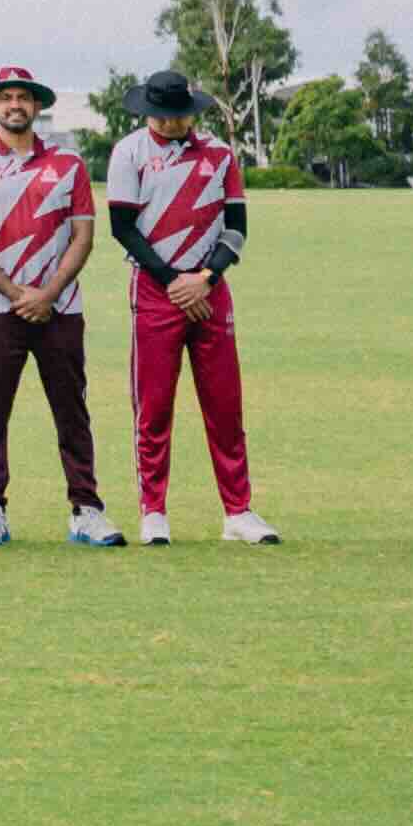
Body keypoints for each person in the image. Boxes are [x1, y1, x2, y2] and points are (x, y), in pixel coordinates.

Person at [0, 63, 116, 546]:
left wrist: (50, 293)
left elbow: (84, 233)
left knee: (71, 410)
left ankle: (85, 508)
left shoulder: (68, 163)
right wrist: (18, 294)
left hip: (61, 307)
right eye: (5, 98)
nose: (14, 104)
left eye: (23, 97)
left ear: (36, 106)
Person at [107, 69, 276, 545]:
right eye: (163, 117)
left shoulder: (220, 155)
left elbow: (237, 226)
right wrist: (174, 282)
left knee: (225, 405)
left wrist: (205, 278)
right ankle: (153, 511)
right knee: (154, 406)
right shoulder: (129, 153)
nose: (172, 124)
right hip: (156, 291)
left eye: (179, 116)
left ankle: (238, 511)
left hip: (208, 289)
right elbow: (123, 227)